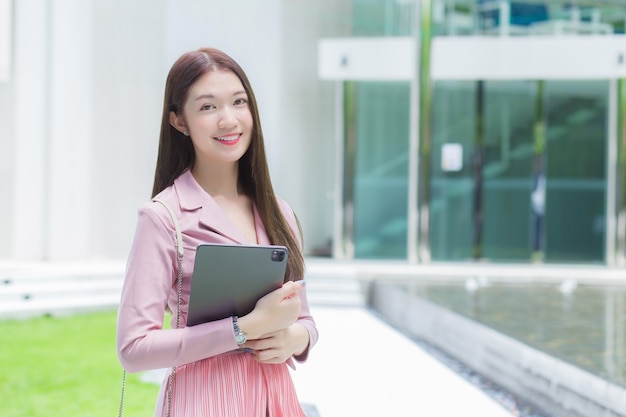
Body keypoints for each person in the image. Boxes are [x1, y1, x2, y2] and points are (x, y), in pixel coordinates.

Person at [116, 47, 318, 417]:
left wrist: (294, 338)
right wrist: (241, 329)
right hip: (203, 403)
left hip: (276, 402)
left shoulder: (278, 211)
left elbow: (304, 319)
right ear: (179, 121)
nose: (229, 120)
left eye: (238, 102)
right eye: (208, 107)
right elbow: (133, 348)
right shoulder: (163, 217)